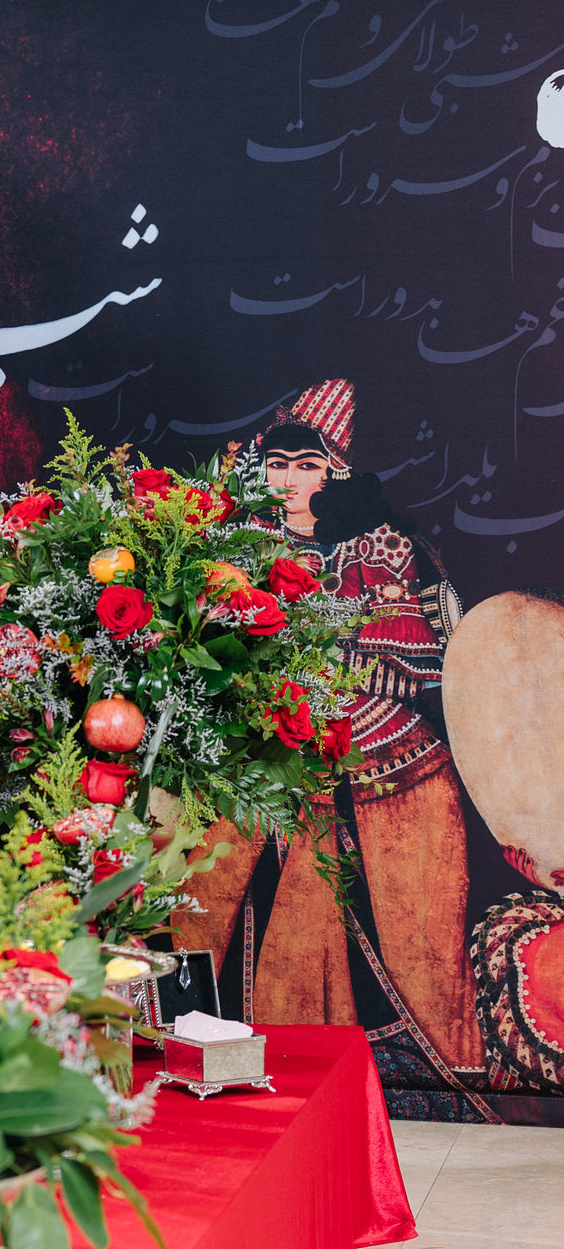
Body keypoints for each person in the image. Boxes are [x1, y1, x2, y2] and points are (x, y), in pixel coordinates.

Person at [174, 378, 483, 1082]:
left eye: (306, 465)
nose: (287, 480)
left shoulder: (385, 546)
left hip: (385, 763)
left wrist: (327, 662)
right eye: (276, 464)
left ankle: (424, 1073)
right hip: (261, 757)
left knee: (413, 937)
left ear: (335, 472)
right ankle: (204, 1045)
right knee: (207, 891)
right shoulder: (234, 548)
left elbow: (423, 667)